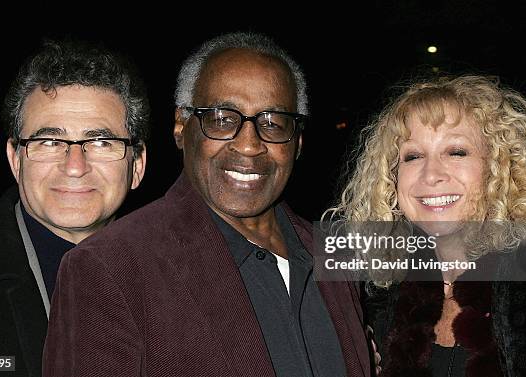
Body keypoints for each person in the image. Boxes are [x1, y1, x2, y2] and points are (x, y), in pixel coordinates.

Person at [43, 32, 371, 377]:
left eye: (273, 123)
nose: (249, 145)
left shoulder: (335, 255)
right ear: (181, 127)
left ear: (297, 142)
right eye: (222, 119)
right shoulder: (109, 268)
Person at [327, 75, 526, 376]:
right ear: (391, 179)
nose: (431, 175)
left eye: (456, 152)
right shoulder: (377, 297)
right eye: (413, 156)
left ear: (502, 165)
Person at [0, 39, 149, 377]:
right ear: (15, 159)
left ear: (137, 166)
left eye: (101, 141)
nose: (74, 165)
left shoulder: (188, 284)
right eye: (49, 141)